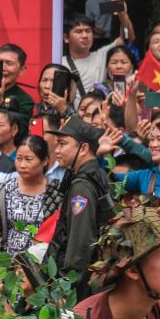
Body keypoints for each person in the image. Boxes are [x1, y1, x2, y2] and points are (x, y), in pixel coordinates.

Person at [44, 116, 113, 297]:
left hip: (78, 291)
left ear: (83, 149)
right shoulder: (93, 175)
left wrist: (65, 290)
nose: (57, 150)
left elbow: (80, 245)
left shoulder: (82, 186)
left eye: (62, 144)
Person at [0, 136, 60, 256]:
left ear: (45, 161)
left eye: (29, 159)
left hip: (43, 264)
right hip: (9, 264)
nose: (22, 165)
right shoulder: (4, 191)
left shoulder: (56, 192)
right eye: (19, 159)